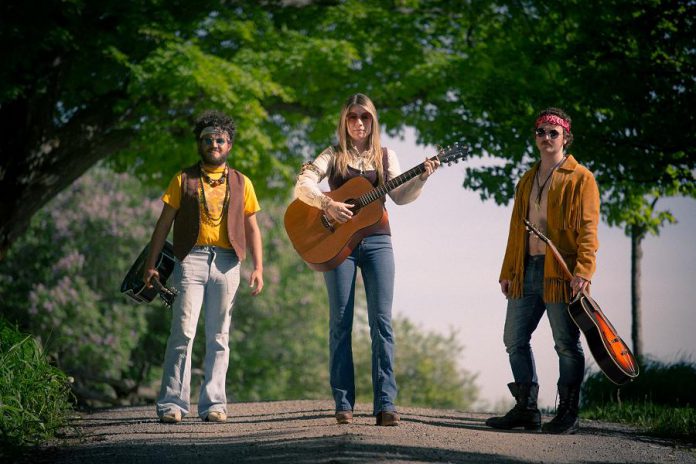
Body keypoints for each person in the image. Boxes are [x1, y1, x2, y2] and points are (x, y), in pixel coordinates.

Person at [293, 93, 439, 426]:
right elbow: (303, 184)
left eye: (366, 117)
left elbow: (400, 197)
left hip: (377, 241)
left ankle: (386, 404)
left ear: (373, 121)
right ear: (344, 121)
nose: (359, 122)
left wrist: (422, 177)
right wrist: (327, 204)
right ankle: (343, 403)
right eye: (353, 117)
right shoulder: (332, 155)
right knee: (340, 323)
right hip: (337, 245)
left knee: (382, 323)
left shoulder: (386, 157)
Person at [143, 110, 264, 424]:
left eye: (220, 139)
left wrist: (258, 267)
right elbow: (163, 224)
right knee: (183, 332)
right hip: (190, 260)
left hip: (228, 262)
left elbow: (253, 228)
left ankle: (214, 405)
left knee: (219, 336)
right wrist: (151, 264)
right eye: (208, 139)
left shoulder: (242, 182)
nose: (214, 143)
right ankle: (172, 404)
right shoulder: (183, 179)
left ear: (229, 145)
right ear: (200, 143)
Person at [486, 107, 600, 434]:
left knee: (565, 343)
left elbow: (589, 230)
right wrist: (508, 270)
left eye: (554, 132)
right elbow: (515, 229)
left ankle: (567, 412)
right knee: (514, 339)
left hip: (561, 273)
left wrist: (584, 270)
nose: (546, 137)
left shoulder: (581, 178)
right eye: (541, 132)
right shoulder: (526, 178)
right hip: (526, 269)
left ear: (566, 137)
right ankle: (526, 409)